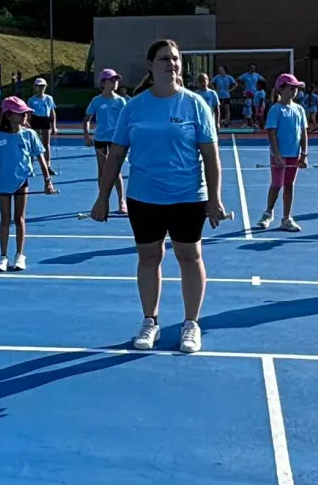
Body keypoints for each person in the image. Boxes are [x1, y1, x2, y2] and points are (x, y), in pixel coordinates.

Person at [93, 39, 227, 354]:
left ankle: (190, 324)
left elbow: (211, 156)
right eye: (164, 58)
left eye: (176, 59)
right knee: (149, 257)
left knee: (189, 257)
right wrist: (102, 197)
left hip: (187, 197)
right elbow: (115, 156)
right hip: (144, 198)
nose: (171, 63)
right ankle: (149, 321)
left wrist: (215, 199)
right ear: (150, 66)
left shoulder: (195, 104)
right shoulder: (134, 107)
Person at [0, 97, 56, 272]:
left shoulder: (29, 134)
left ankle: (19, 255)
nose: (25, 116)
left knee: (19, 218)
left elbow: (40, 158)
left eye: (25, 113)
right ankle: (3, 256)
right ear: (9, 115)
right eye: (20, 113)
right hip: (3, 184)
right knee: (4, 220)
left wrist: (47, 181)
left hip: (22, 182)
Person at [256, 73, 309, 232]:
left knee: (289, 185)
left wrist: (304, 154)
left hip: (294, 155)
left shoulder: (299, 109)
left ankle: (286, 218)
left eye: (296, 89)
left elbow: (303, 133)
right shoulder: (276, 110)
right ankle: (268, 212)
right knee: (277, 184)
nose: (294, 92)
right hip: (279, 155)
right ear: (281, 89)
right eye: (291, 88)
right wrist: (277, 155)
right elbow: (271, 133)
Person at [87, 69, 130, 214]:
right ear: (104, 82)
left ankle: (121, 201)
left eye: (116, 80)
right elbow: (87, 119)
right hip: (100, 139)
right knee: (102, 170)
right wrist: (86, 135)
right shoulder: (96, 101)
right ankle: (102, 199)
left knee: (115, 170)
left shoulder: (120, 101)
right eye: (112, 80)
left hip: (115, 140)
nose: (115, 83)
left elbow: (127, 121)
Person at [27, 77, 59, 176]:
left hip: (45, 120)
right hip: (36, 121)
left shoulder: (49, 98)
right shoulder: (31, 100)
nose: (41, 88)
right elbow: (29, 115)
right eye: (39, 86)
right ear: (35, 87)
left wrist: (54, 126)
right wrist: (28, 126)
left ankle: (48, 166)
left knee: (46, 144)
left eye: (43, 86)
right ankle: (30, 167)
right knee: (34, 145)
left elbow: (52, 112)